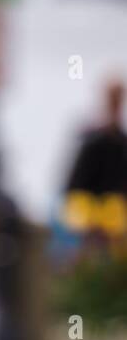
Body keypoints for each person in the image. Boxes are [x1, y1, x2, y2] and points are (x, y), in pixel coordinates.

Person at [64, 78, 127, 255]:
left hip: (111, 211)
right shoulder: (91, 140)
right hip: (87, 207)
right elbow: (74, 187)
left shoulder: (121, 143)